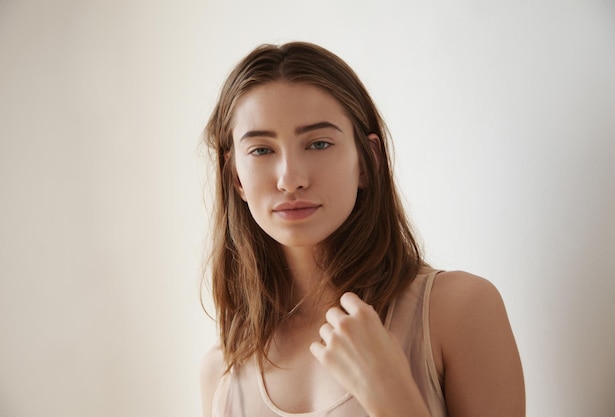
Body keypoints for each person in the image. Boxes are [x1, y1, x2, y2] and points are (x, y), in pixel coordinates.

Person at [200, 41, 525, 417]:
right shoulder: (220, 372)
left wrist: (392, 394)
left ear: (367, 161)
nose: (290, 179)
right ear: (235, 177)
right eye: (261, 150)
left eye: (318, 143)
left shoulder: (457, 311)